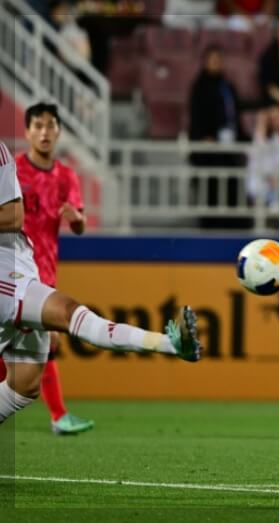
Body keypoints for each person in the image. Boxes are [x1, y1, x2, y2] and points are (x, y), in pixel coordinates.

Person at [0, 140, 202, 425]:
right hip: (5, 277)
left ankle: (170, 344)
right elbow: (14, 216)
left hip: (21, 266)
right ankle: (169, 344)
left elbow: (14, 214)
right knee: (71, 314)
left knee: (25, 385)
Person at [0, 103, 94, 434]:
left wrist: (77, 220)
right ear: (26, 132)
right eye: (37, 125)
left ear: (58, 131)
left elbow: (80, 223)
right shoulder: (13, 171)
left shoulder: (67, 177)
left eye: (50, 125)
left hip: (45, 269)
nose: (44, 132)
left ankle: (57, 415)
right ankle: (58, 415)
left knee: (42, 344)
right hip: (10, 268)